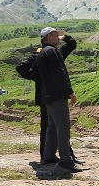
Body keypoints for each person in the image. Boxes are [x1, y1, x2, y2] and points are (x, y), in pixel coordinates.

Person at [15, 29, 81, 166]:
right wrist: (40, 79)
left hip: (49, 93)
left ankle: (61, 156)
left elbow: (72, 44)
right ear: (48, 37)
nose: (58, 37)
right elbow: (21, 68)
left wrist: (65, 37)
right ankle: (51, 157)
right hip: (50, 94)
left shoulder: (54, 52)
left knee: (54, 127)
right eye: (56, 35)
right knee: (54, 127)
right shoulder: (43, 53)